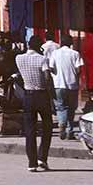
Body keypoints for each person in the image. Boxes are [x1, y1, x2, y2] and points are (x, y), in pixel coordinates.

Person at [17, 35, 55, 171]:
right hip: (42, 95)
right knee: (47, 127)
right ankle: (42, 157)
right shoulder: (42, 59)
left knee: (30, 129)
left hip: (28, 96)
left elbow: (20, 75)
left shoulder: (19, 58)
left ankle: (31, 163)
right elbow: (46, 78)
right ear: (39, 46)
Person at [49, 34, 84, 140]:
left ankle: (62, 123)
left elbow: (51, 67)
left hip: (58, 84)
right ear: (70, 43)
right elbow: (79, 70)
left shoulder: (54, 53)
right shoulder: (75, 54)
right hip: (72, 85)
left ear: (61, 43)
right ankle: (70, 131)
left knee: (60, 107)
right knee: (71, 109)